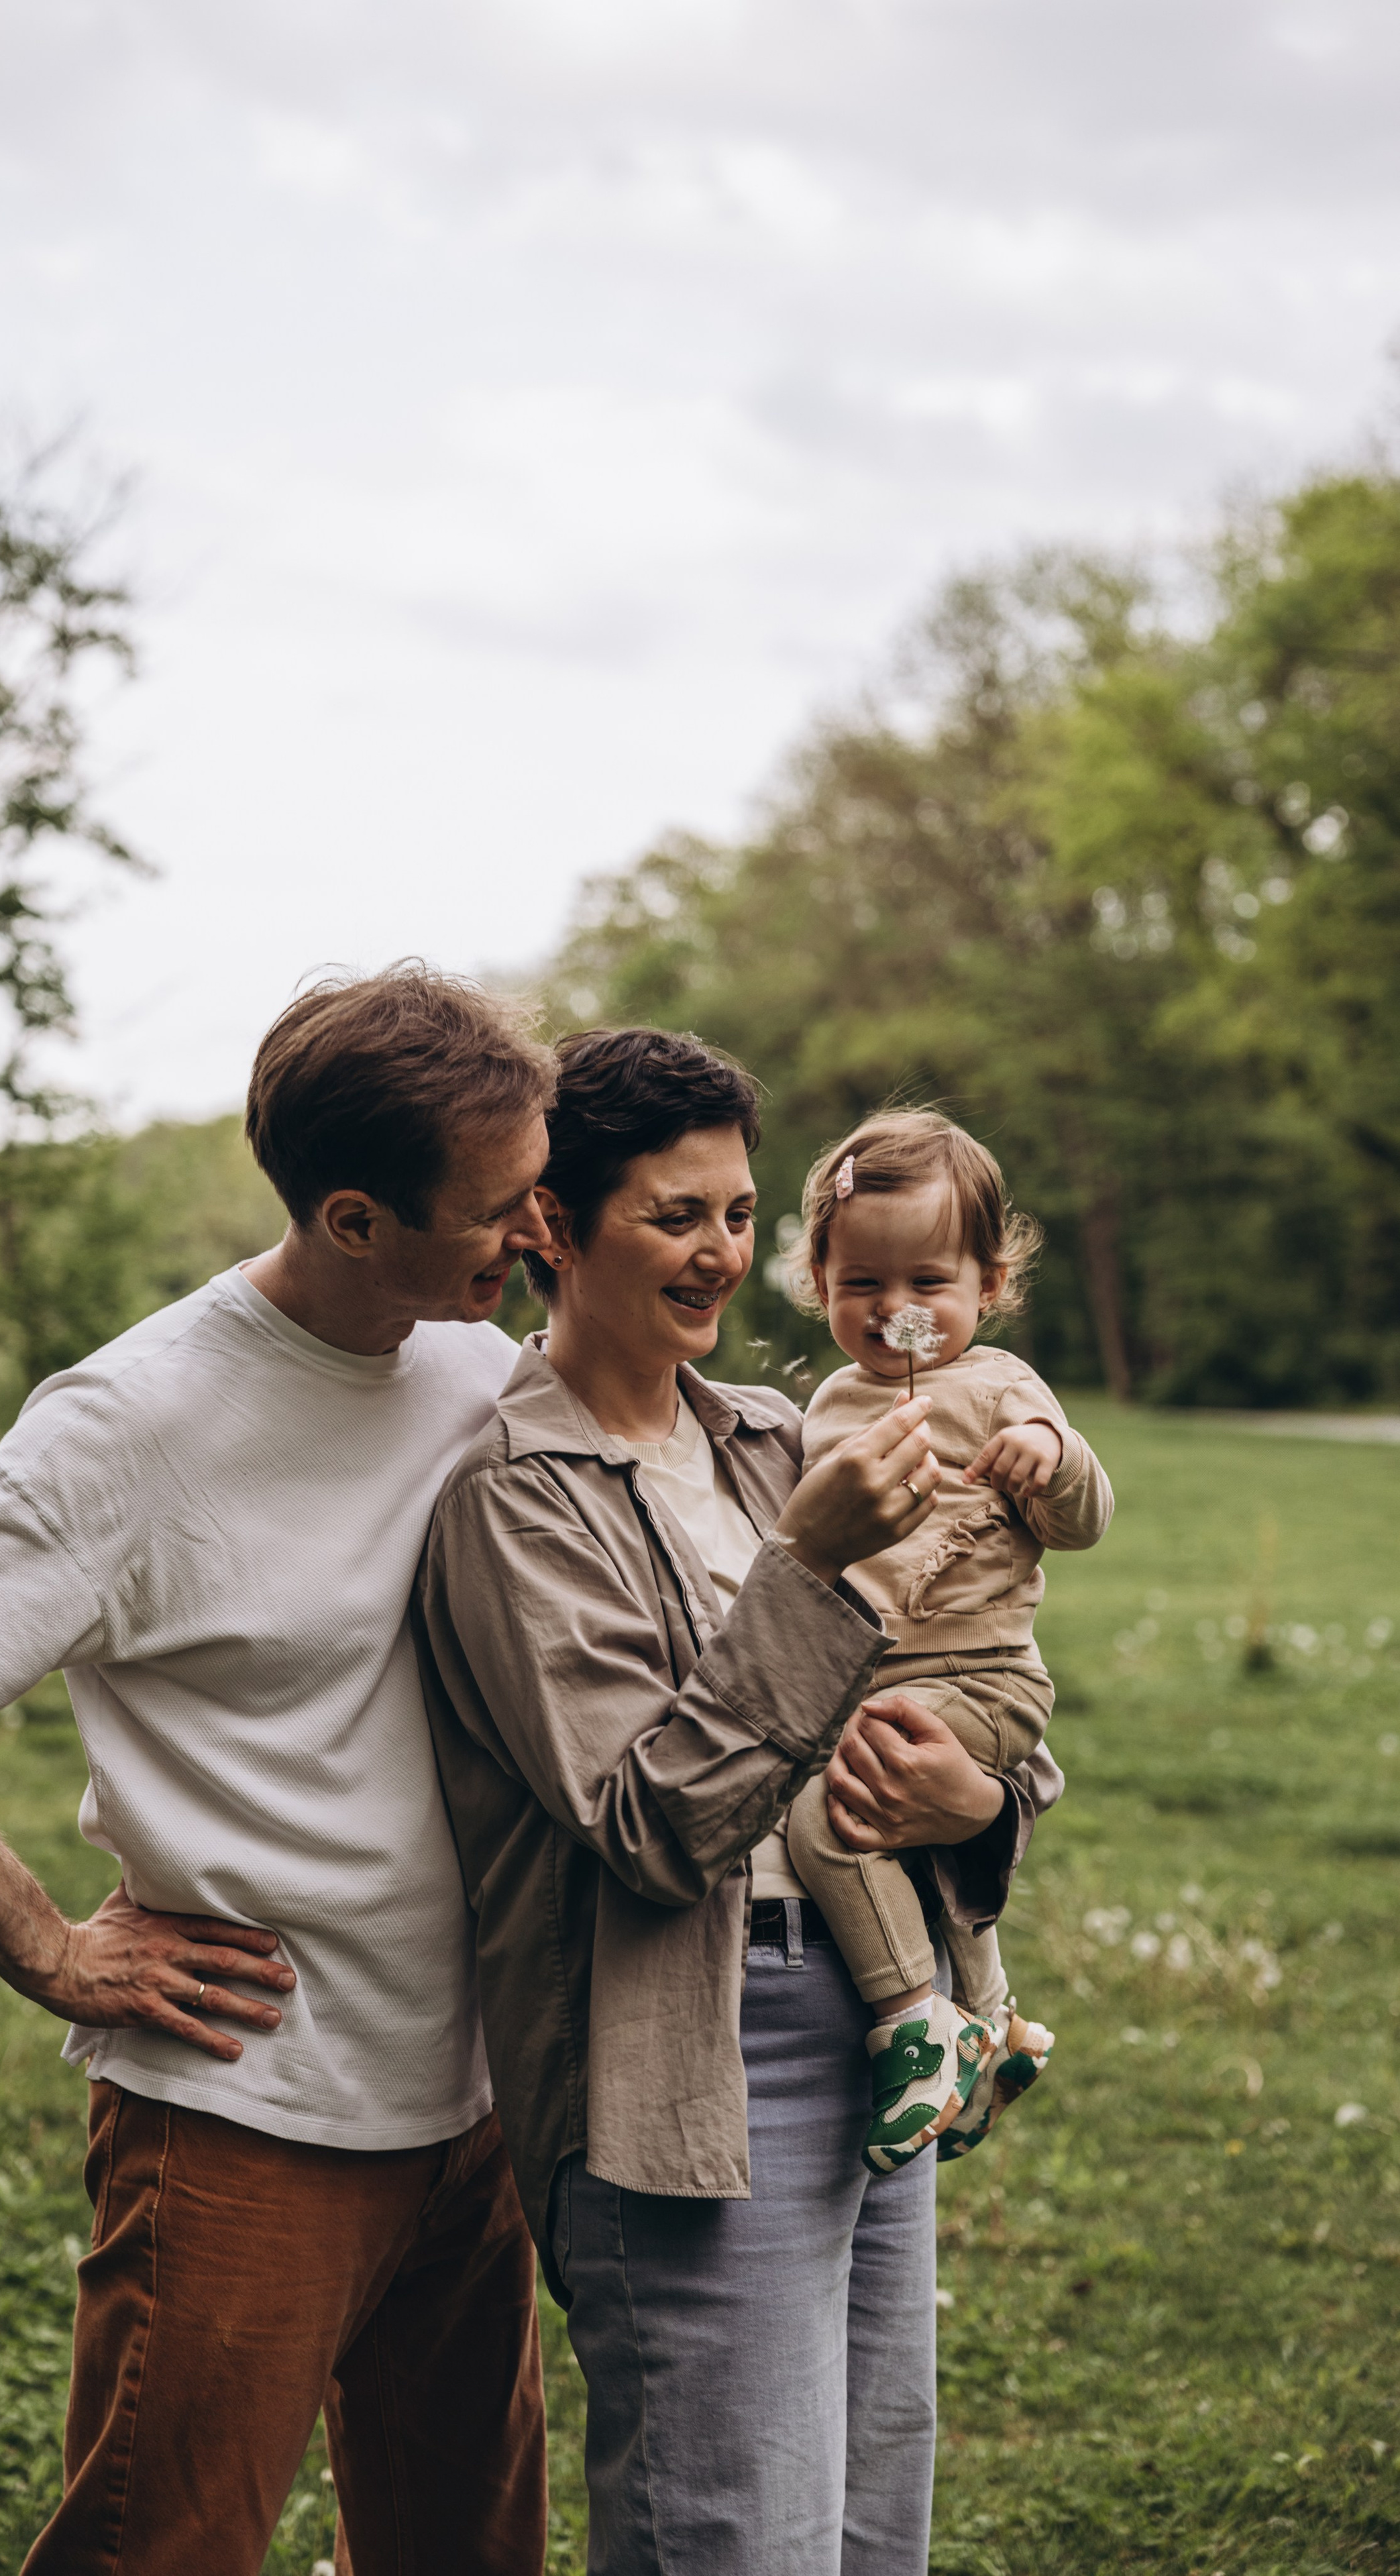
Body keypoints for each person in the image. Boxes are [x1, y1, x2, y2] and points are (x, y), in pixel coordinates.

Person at [0, 966, 559, 2576]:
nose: (529, 1229)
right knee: (164, 2552)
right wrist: (46, 1946)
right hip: (249, 2109)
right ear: (353, 1219)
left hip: (473, 2098)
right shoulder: (131, 1423)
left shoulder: (481, 1363)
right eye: (494, 1204)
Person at [416, 1026, 1057, 2576]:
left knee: (863, 2522)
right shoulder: (515, 1494)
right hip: (690, 2062)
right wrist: (805, 1568)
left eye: (737, 1213)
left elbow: (979, 1678)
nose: (718, 1256)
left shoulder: (777, 1439)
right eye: (672, 1216)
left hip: (869, 2011)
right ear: (553, 1230)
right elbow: (649, 1826)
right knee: (735, 2539)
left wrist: (977, 1796)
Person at [782, 1110, 1113, 2173]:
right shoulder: (830, 1404)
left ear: (989, 1282)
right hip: (878, 1676)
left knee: (831, 1815)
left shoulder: (1002, 1387)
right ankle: (996, 2022)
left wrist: (1047, 1454)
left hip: (985, 1678)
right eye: (861, 1286)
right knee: (918, 1846)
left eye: (928, 1283)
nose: (896, 1313)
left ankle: (913, 2023)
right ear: (818, 1281)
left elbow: (1088, 1517)